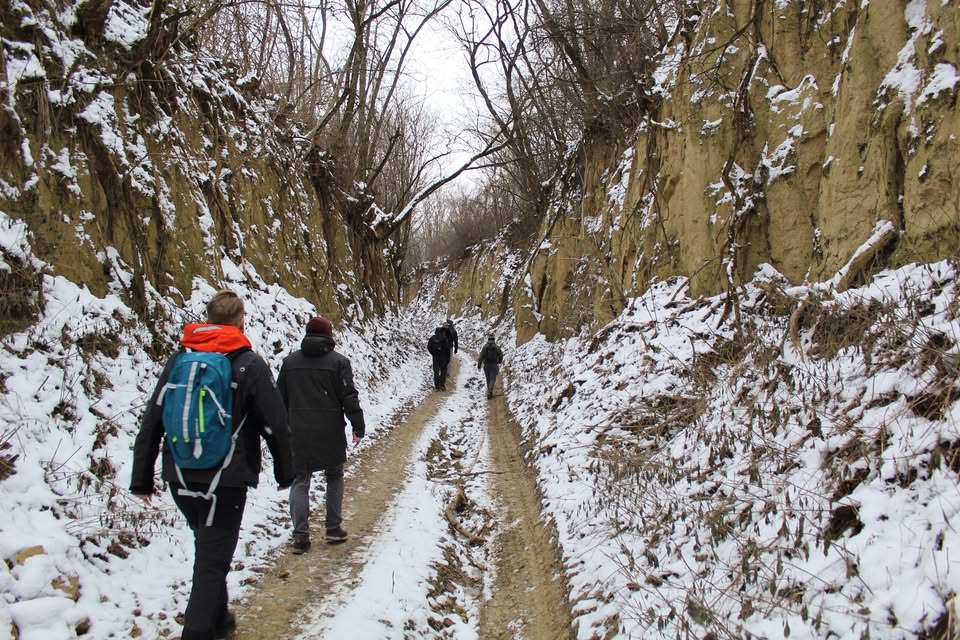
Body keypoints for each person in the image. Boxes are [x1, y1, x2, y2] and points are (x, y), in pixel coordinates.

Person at [130, 289, 295, 640]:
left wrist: (141, 479)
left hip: (179, 476)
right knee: (210, 561)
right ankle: (198, 631)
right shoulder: (249, 364)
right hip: (226, 479)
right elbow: (275, 424)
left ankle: (219, 624)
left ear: (207, 320)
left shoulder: (179, 361)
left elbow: (152, 420)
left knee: (209, 550)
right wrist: (286, 472)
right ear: (241, 321)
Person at [277, 316, 366, 552]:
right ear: (329, 336)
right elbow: (349, 396)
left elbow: (279, 400)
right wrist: (358, 425)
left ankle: (300, 536)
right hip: (330, 430)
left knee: (300, 480)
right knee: (334, 474)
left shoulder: (289, 363)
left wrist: (280, 430)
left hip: (297, 431)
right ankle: (333, 528)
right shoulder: (339, 363)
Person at [477, 334, 504, 399]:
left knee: (488, 378)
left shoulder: (485, 347)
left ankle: (489, 391)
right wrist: (499, 361)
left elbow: (481, 357)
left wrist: (479, 365)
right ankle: (490, 391)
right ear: (494, 339)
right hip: (494, 364)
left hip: (486, 365)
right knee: (493, 378)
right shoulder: (496, 347)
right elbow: (501, 355)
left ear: (488, 339)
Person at [427, 326, 451, 390]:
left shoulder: (432, 338)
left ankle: (437, 386)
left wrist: (433, 353)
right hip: (443, 358)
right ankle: (442, 385)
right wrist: (448, 359)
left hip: (436, 358)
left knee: (436, 372)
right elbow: (447, 350)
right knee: (443, 371)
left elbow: (429, 347)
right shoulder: (445, 338)